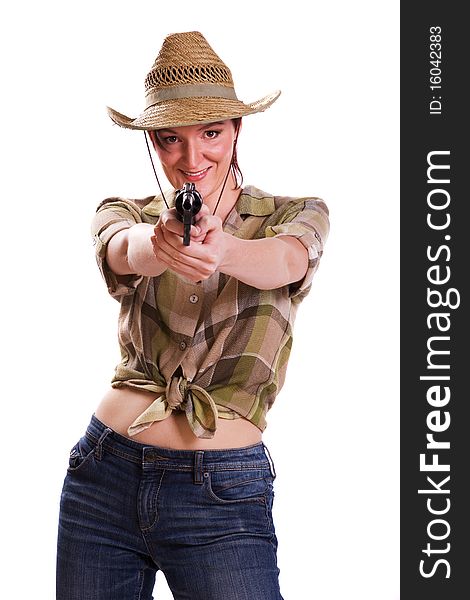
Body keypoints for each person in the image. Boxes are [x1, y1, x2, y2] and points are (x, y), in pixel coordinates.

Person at [56, 31, 329, 600]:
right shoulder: (128, 213)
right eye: (169, 140)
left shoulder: (295, 214)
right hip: (103, 475)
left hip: (221, 493)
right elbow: (121, 249)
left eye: (210, 133)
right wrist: (161, 247)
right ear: (152, 142)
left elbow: (284, 260)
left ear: (236, 130)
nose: (191, 158)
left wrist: (221, 248)